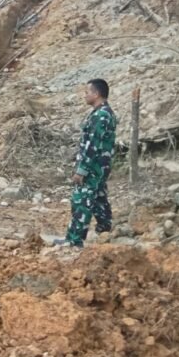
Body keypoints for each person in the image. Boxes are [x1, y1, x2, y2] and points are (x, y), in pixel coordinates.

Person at [58, 78, 117, 248]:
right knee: (99, 198)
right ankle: (105, 231)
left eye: (87, 92)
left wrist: (82, 170)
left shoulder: (101, 115)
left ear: (96, 94)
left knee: (81, 200)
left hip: (93, 167)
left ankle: (74, 240)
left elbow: (93, 144)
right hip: (99, 166)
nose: (85, 95)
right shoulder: (102, 112)